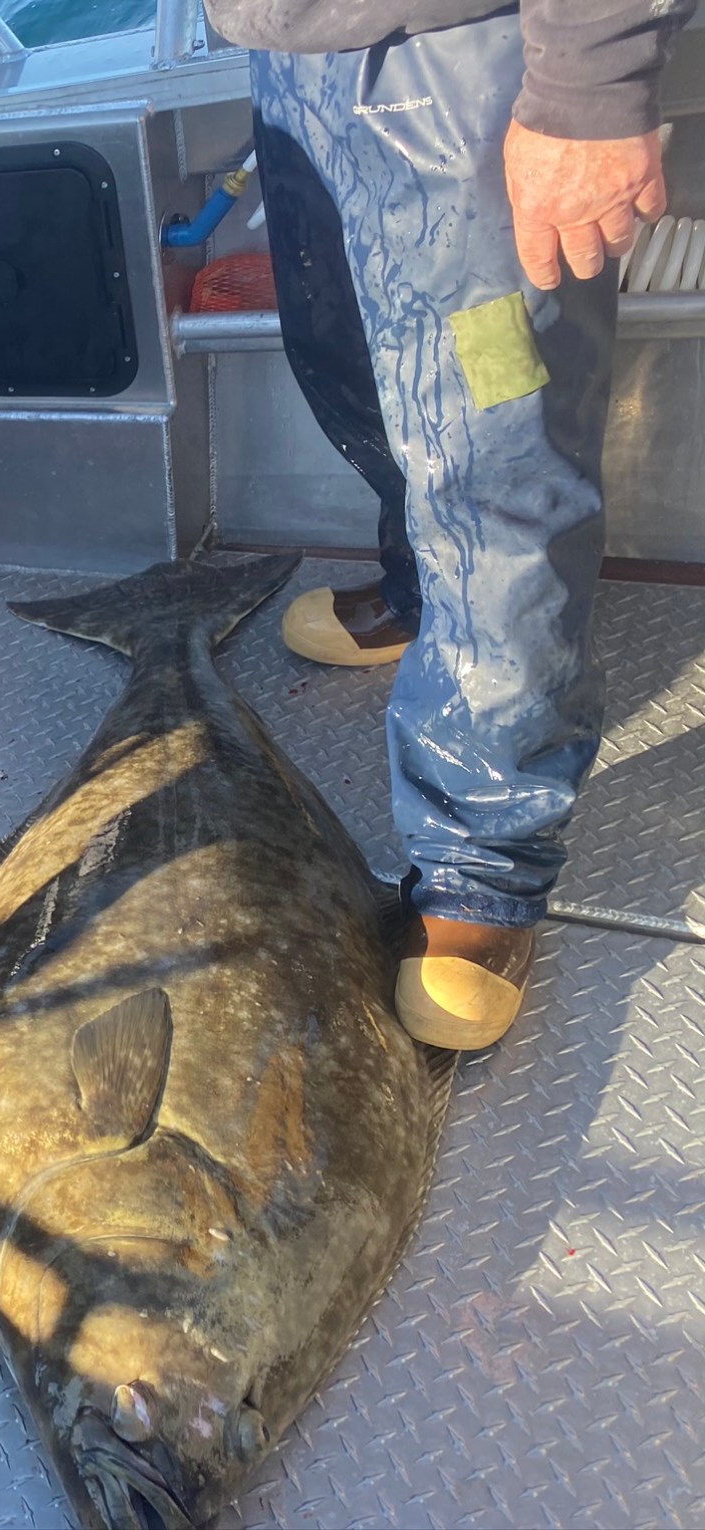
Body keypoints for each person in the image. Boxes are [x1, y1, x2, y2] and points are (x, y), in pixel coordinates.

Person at [205, 0, 696, 1049]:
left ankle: (485, 860)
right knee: (355, 372)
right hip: (295, 55)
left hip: (465, 59)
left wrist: (590, 78)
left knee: (495, 452)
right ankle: (427, 593)